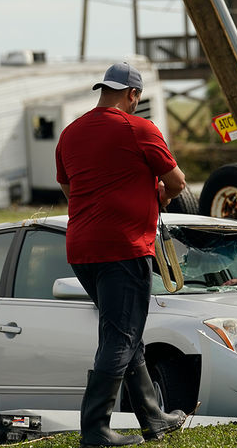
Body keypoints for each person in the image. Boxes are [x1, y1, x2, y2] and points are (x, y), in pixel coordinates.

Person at [55, 62, 188, 447]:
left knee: (124, 333)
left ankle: (153, 418)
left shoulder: (70, 133)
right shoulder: (139, 128)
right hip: (124, 248)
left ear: (103, 90)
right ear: (133, 94)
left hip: (81, 249)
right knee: (120, 337)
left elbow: (68, 187)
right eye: (137, 98)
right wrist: (159, 196)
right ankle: (95, 429)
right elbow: (177, 181)